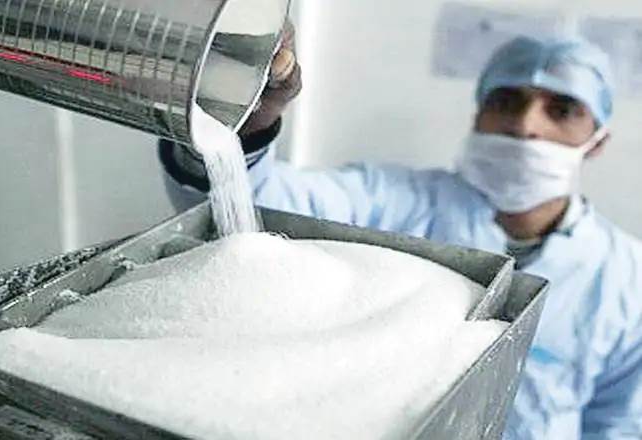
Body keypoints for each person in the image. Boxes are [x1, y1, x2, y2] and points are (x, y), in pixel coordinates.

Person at [158, 28, 642, 439]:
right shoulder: (391, 202)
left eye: (562, 110)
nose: (526, 126)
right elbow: (253, 207)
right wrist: (245, 127)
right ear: (477, 114)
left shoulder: (628, 279)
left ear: (597, 140)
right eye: (506, 101)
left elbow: (620, 421)